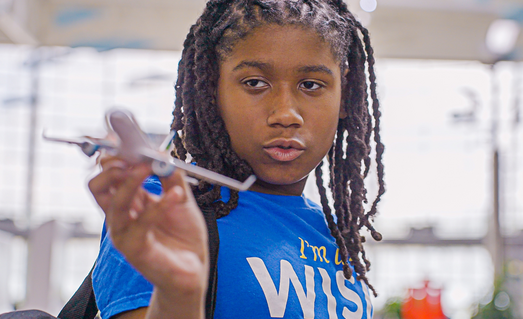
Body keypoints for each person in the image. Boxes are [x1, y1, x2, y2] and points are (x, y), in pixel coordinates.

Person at [88, 0, 385, 318]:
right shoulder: (166, 208)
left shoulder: (335, 233)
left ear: (345, 97)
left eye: (311, 85)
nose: (285, 114)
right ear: (211, 91)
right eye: (255, 83)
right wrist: (180, 295)